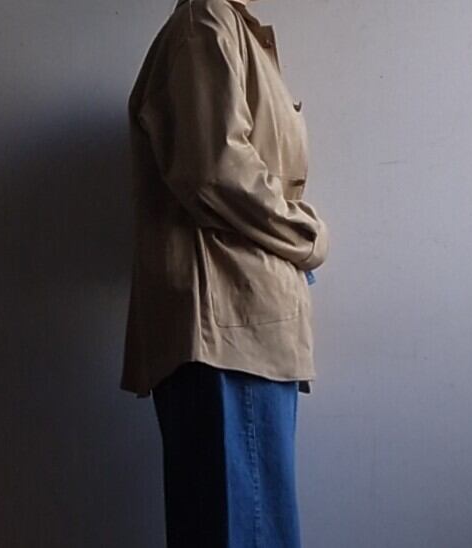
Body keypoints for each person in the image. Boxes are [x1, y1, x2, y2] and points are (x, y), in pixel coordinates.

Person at [121, 0, 330, 546]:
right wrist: (307, 237)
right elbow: (216, 171)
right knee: (246, 530)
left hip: (243, 328)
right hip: (229, 333)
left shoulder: (227, 26)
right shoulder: (206, 20)